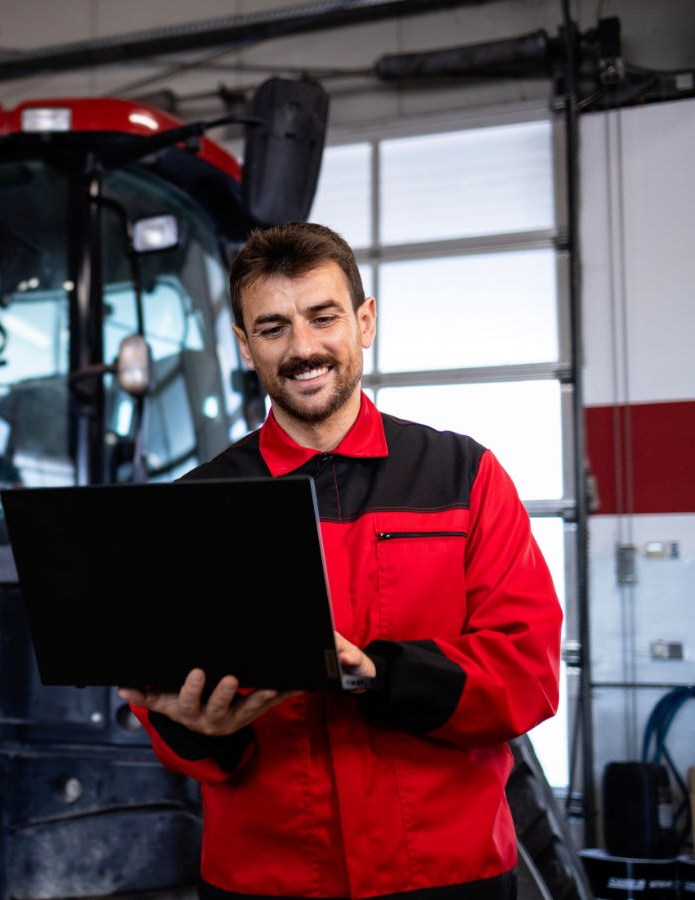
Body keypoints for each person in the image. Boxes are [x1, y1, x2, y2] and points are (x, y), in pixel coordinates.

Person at [119, 222, 562, 900]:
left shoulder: (464, 477)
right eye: (272, 328)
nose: (302, 348)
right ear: (244, 345)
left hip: (448, 875)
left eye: (322, 318)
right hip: (268, 881)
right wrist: (196, 731)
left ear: (364, 320)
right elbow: (171, 716)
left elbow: (526, 671)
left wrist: (380, 674)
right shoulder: (196, 505)